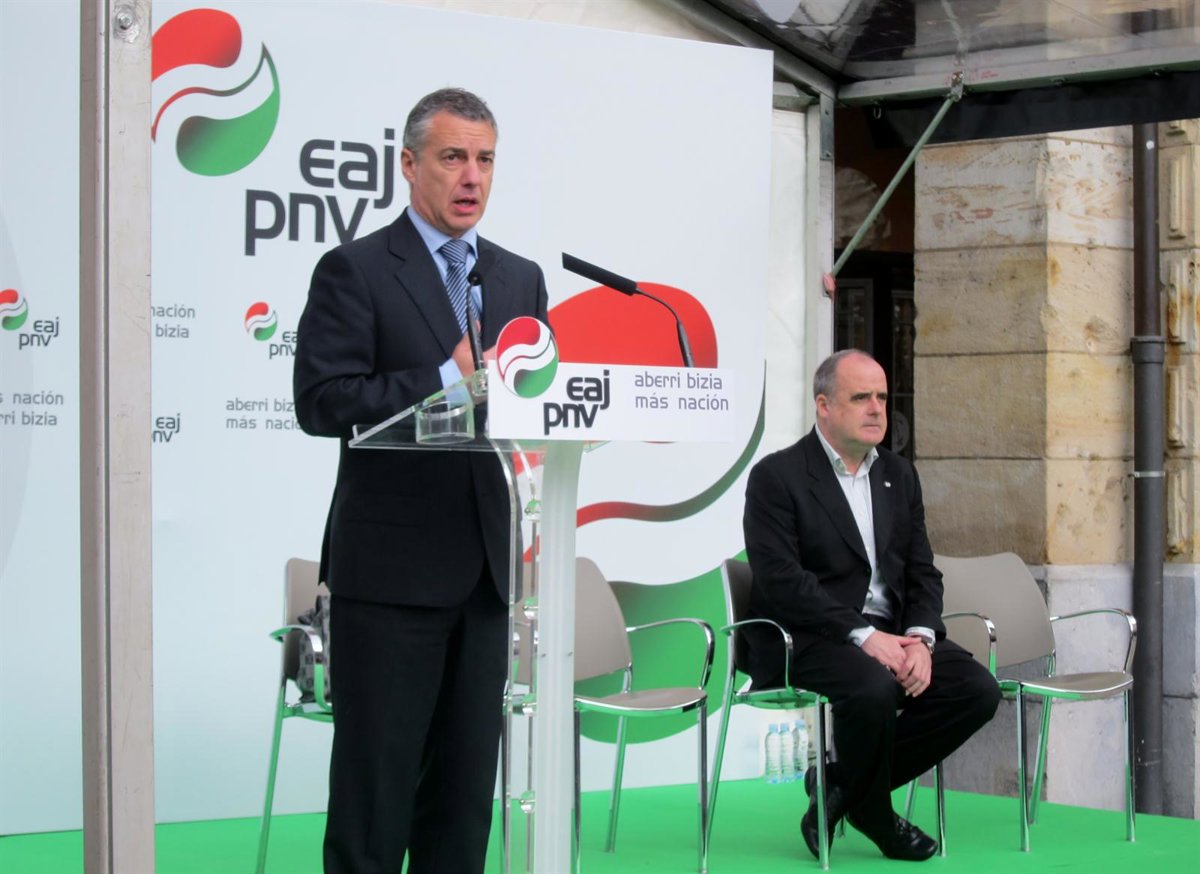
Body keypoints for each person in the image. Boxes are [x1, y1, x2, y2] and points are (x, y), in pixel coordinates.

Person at [294, 87, 549, 874]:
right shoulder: (357, 270)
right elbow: (322, 400)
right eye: (452, 157)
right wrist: (446, 375)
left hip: (486, 576)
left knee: (463, 800)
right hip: (390, 579)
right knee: (376, 797)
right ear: (408, 165)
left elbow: (533, 405)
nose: (471, 176)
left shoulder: (518, 279)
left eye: (485, 160)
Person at [742, 349, 1000, 862]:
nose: (877, 408)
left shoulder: (898, 475)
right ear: (824, 406)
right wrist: (863, 636)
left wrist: (921, 639)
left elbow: (922, 571)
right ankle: (877, 814)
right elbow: (781, 580)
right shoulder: (778, 476)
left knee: (977, 690)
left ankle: (842, 785)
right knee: (873, 686)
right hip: (806, 634)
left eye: (882, 396)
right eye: (861, 397)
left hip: (890, 632)